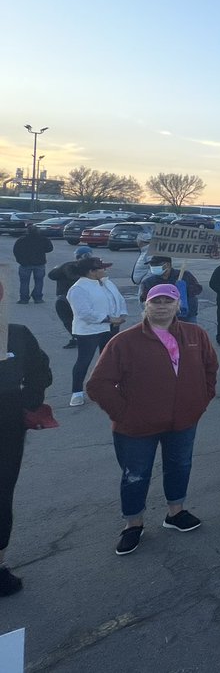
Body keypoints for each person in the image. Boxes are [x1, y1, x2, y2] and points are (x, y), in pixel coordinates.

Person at [87, 283, 219, 556]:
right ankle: (133, 524)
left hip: (183, 421)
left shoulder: (196, 334)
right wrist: (124, 414)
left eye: (167, 301)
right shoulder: (124, 341)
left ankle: (175, 513)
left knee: (180, 466)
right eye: (155, 302)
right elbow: (98, 384)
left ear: (178, 305)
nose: (161, 306)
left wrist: (200, 401)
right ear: (145, 305)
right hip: (136, 428)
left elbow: (210, 368)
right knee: (135, 475)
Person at [0, 323, 52, 595]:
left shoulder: (16, 334)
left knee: (1, 493)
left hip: (6, 424)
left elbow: (40, 369)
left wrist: (28, 402)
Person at [67, 257, 128, 407]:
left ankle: (110, 385)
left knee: (110, 360)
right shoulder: (78, 289)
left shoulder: (107, 282)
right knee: (84, 360)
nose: (105, 270)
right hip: (90, 331)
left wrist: (121, 314)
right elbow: (84, 313)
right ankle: (77, 392)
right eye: (101, 268)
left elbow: (118, 299)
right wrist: (109, 319)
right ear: (91, 272)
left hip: (111, 327)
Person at [48, 246, 92, 349]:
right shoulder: (91, 267)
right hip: (83, 297)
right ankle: (80, 337)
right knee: (79, 318)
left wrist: (57, 269)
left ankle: (78, 337)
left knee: (68, 319)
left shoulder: (68, 266)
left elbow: (52, 275)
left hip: (65, 297)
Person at [140, 256, 203, 324]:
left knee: (190, 334)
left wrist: (183, 289)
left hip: (187, 316)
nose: (153, 267)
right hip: (161, 318)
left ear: (167, 265)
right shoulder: (149, 282)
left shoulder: (185, 275)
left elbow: (198, 289)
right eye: (151, 265)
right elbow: (143, 299)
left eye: (156, 265)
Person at [13, 224, 54, 304]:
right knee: (39, 281)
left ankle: (24, 299)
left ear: (27, 231)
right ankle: (38, 298)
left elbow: (16, 251)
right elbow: (50, 248)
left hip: (25, 264)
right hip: (39, 263)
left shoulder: (21, 240)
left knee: (24, 282)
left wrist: (20, 260)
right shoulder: (43, 239)